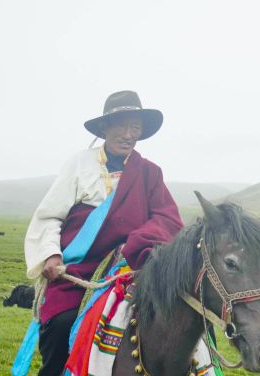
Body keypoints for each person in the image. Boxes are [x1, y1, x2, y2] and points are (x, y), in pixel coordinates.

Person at [24, 90, 183, 375]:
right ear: (105, 128)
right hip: (78, 272)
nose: (128, 134)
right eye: (121, 125)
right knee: (62, 324)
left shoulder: (149, 173)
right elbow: (50, 216)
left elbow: (167, 218)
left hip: (131, 268)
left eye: (135, 127)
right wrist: (50, 254)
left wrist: (137, 241)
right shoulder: (79, 164)